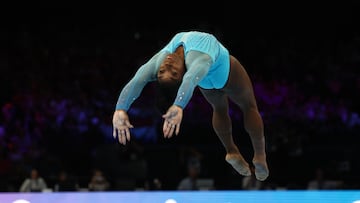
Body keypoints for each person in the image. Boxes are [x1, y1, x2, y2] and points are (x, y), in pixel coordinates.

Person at [112, 31, 269, 181]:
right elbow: (190, 79)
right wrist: (179, 105)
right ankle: (260, 156)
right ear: (182, 74)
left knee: (219, 108)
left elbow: (137, 80)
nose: (168, 65)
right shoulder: (196, 60)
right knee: (249, 106)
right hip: (224, 70)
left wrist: (120, 109)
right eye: (174, 72)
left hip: (205, 80)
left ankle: (231, 150)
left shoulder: (161, 60)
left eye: (162, 72)